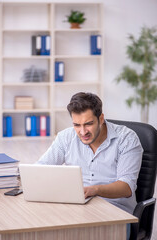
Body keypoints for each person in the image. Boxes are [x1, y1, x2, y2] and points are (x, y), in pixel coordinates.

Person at [37, 92, 143, 240]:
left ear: (101, 119)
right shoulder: (65, 137)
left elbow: (126, 187)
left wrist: (94, 190)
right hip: (76, 209)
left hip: (115, 215)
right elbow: (40, 169)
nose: (83, 132)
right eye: (76, 125)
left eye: (88, 124)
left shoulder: (127, 139)